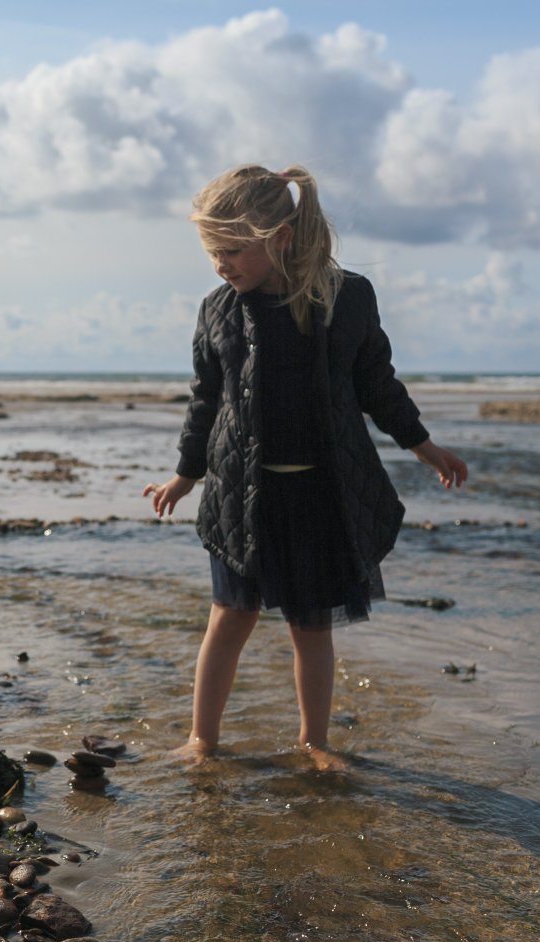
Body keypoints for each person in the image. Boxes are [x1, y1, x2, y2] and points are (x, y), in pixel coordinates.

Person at [144, 164, 467, 770]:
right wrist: (184, 477)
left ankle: (315, 743)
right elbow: (205, 402)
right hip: (241, 493)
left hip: (320, 492)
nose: (221, 264)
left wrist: (424, 446)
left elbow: (378, 384)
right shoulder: (217, 310)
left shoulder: (347, 299)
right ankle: (201, 740)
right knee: (229, 619)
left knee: (310, 628)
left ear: (281, 237)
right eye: (212, 251)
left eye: (233, 249)